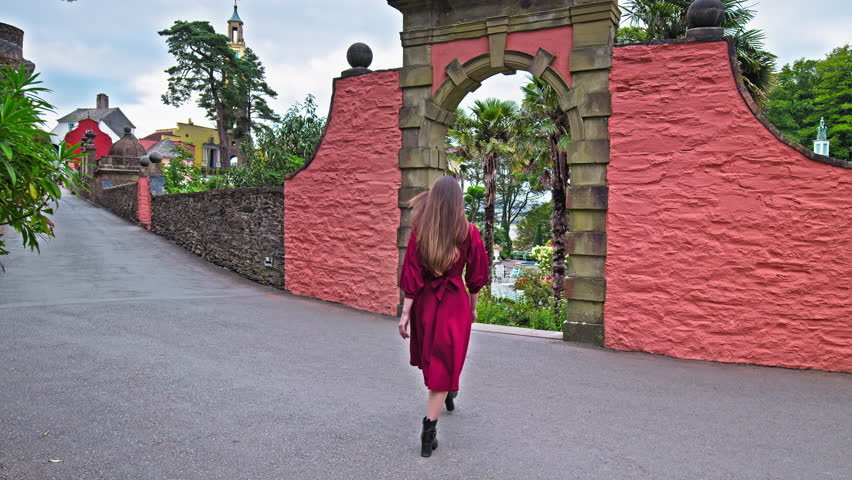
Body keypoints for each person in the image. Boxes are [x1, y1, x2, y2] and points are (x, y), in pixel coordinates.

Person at [398, 175, 489, 457]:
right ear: (457, 202)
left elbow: (411, 274)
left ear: (434, 200)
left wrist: (405, 313)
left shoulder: (420, 232)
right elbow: (476, 276)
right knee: (447, 357)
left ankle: (445, 394)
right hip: (454, 303)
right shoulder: (470, 232)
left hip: (426, 303)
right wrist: (473, 307)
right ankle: (430, 427)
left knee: (433, 356)